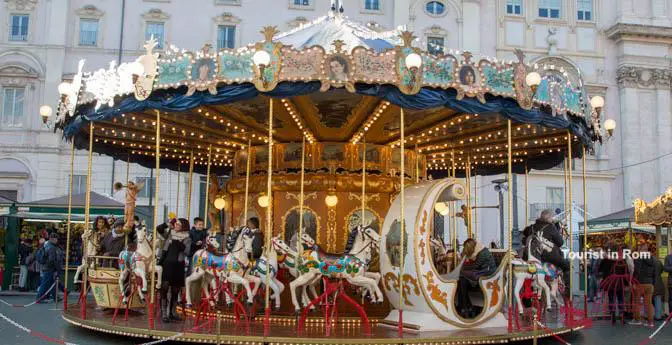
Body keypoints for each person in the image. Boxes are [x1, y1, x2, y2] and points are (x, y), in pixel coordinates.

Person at [156, 217, 191, 323]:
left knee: (175, 290)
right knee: (165, 288)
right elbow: (159, 229)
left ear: (183, 227)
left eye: (179, 225)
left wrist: (175, 242)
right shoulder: (169, 233)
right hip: (167, 263)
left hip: (178, 264)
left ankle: (172, 312)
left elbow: (187, 251)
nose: (176, 226)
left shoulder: (187, 238)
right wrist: (167, 224)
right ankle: (164, 313)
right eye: (176, 224)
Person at [522, 210, 569, 283]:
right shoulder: (551, 227)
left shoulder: (532, 227)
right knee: (566, 265)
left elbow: (524, 234)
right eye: (551, 217)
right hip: (548, 256)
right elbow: (560, 243)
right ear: (549, 218)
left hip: (532, 255)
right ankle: (567, 288)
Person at [456, 238, 496, 318]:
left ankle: (465, 307)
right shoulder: (480, 251)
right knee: (462, 279)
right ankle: (466, 306)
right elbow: (475, 265)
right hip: (482, 273)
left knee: (462, 276)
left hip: (486, 276)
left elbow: (475, 266)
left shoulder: (483, 253)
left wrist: (463, 267)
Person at [599, 243, 629, 324]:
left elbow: (599, 270)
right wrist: (626, 284)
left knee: (612, 299)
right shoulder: (622, 260)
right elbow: (626, 272)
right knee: (621, 300)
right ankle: (622, 315)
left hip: (610, 283)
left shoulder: (606, 260)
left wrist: (604, 278)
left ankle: (613, 316)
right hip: (620, 283)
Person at [630, 242, 655, 327]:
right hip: (650, 283)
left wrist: (633, 282)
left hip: (640, 283)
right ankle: (650, 322)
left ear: (641, 249)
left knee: (636, 302)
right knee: (649, 303)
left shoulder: (639, 257)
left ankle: (637, 320)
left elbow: (637, 270)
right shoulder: (652, 258)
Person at [36, 233, 63, 302]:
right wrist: (56, 268)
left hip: (46, 267)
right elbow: (52, 260)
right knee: (45, 284)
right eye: (56, 239)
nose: (57, 240)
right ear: (53, 239)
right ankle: (39, 298)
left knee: (52, 283)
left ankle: (55, 297)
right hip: (49, 268)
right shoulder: (52, 248)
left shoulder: (47, 245)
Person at [652, 253, 665, 321]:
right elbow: (662, 270)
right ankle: (659, 315)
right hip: (659, 282)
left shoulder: (648, 262)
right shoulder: (658, 261)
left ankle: (655, 315)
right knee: (658, 299)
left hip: (651, 282)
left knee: (649, 299)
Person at [664, 250, 672, 321]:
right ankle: (671, 315)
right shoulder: (668, 257)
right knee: (671, 299)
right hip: (671, 282)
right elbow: (665, 268)